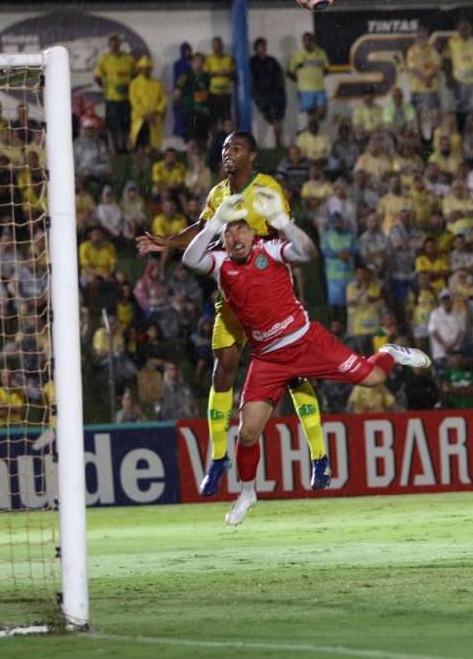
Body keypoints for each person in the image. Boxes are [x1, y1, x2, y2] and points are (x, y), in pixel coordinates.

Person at [181, 188, 431, 525]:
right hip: (268, 359)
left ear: (253, 234)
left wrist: (282, 220)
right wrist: (214, 223)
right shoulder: (220, 262)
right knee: (247, 433)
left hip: (306, 342)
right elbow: (189, 259)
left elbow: (307, 251)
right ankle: (247, 493)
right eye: (230, 231)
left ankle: (388, 352)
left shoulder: (270, 250)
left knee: (374, 379)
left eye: (241, 229)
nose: (235, 236)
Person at [136, 131, 331, 496]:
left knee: (294, 374)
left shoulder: (267, 188)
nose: (228, 152)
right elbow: (201, 229)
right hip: (232, 295)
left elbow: (284, 232)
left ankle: (319, 456)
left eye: (236, 148)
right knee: (222, 369)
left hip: (268, 295)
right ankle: (218, 458)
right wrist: (169, 242)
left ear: (252, 155)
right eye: (225, 147)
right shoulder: (217, 194)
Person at [93, 34, 135, 154]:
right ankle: (116, 149)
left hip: (127, 98)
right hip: (111, 98)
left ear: (120, 44)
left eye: (116, 43)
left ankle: (126, 147)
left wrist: (128, 86)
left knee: (127, 124)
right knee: (113, 125)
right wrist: (107, 87)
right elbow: (97, 77)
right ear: (109, 45)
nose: (114, 45)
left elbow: (135, 74)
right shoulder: (105, 59)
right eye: (112, 44)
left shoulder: (128, 58)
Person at [250, 37, 287, 148]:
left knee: (278, 119)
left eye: (264, 46)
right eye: (261, 46)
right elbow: (250, 79)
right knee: (266, 119)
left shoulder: (271, 60)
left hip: (275, 93)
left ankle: (278, 143)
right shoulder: (252, 62)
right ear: (256, 48)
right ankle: (258, 143)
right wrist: (255, 94)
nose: (263, 48)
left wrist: (282, 88)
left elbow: (280, 74)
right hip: (262, 95)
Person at [127, 56, 166, 151]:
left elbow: (163, 99)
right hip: (140, 118)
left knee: (154, 145)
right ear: (139, 69)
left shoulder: (157, 83)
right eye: (143, 68)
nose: (146, 70)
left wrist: (156, 111)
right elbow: (134, 101)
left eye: (148, 68)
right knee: (140, 144)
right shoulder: (134, 84)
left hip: (154, 117)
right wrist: (145, 115)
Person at [288, 32, 329, 121]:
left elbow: (326, 69)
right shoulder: (298, 55)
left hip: (320, 88)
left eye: (309, 40)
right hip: (305, 90)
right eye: (304, 41)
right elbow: (290, 72)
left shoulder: (321, 53)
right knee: (311, 116)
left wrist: (316, 76)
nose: (307, 42)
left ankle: (312, 125)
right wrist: (300, 80)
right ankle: (312, 127)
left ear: (313, 41)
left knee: (322, 114)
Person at [206, 36, 236, 127]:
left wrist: (227, 73)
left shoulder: (229, 59)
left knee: (227, 121)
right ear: (212, 47)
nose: (216, 48)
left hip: (225, 94)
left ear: (222, 46)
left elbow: (234, 75)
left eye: (218, 45)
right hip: (213, 95)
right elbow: (205, 75)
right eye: (214, 46)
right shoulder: (208, 59)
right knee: (213, 122)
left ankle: (228, 136)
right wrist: (217, 73)